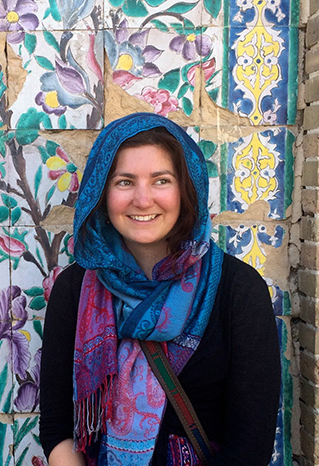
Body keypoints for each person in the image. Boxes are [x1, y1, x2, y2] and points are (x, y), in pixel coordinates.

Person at [39, 113, 281, 465]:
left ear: (186, 190)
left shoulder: (237, 291)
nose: (142, 199)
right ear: (101, 193)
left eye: (161, 181)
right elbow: (57, 428)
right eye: (124, 182)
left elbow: (250, 447)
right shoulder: (75, 289)